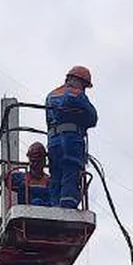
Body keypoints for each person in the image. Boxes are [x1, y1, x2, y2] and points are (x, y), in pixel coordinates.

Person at [45, 65, 96, 208]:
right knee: (71, 169)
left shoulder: (51, 95)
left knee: (56, 173)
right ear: (77, 80)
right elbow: (93, 118)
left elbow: (49, 121)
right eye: (84, 85)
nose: (84, 89)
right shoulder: (76, 94)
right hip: (71, 139)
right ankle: (68, 206)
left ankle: (55, 206)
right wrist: (80, 119)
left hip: (53, 141)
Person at [8, 142, 52, 206]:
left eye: (38, 161)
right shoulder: (21, 177)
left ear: (44, 161)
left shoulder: (49, 181)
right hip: (25, 213)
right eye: (33, 161)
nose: (36, 164)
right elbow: (4, 179)